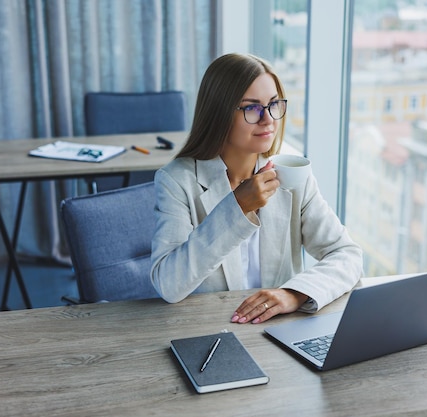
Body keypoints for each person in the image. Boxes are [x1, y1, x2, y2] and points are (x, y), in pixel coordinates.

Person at [150, 53, 363, 324]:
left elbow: (347, 255)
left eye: (274, 104)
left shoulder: (292, 173)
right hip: (210, 330)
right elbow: (169, 285)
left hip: (280, 330)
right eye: (252, 108)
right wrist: (237, 208)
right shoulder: (176, 180)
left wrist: (294, 294)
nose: (269, 120)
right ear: (219, 113)